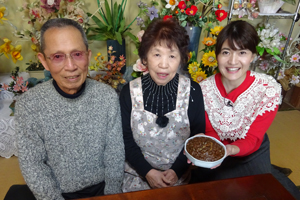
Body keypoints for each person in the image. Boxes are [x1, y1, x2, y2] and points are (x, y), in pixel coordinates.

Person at [4, 18, 125, 200]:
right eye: (58, 57)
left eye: (77, 54)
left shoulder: (106, 96)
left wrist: (111, 196)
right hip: (55, 194)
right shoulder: (29, 105)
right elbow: (33, 165)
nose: (71, 67)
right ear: (44, 61)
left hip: (103, 191)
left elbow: (115, 153)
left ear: (88, 55)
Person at [191, 20, 300, 199]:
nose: (233, 61)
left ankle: (272, 171)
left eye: (242, 52)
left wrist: (230, 150)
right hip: (217, 152)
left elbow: (253, 137)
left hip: (252, 151)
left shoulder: (267, 89)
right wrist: (217, 152)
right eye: (226, 52)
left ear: (252, 56)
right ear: (217, 55)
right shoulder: (203, 90)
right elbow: (209, 130)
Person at [119, 18, 206, 192]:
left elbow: (196, 137)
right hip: (137, 175)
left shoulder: (193, 91)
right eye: (156, 54)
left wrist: (176, 171)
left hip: (178, 177)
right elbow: (125, 139)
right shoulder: (129, 91)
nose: (163, 64)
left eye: (172, 56)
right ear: (144, 57)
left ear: (181, 59)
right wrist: (148, 172)